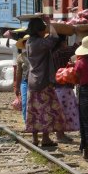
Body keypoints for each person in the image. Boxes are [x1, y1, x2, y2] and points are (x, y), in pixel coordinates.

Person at [25, 17, 66, 147]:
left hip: (32, 80)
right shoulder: (40, 43)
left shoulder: (28, 42)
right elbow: (54, 37)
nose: (45, 32)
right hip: (43, 81)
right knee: (46, 110)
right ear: (38, 31)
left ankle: (35, 138)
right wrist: (50, 23)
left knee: (34, 110)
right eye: (43, 30)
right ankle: (46, 138)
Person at [52, 34, 80, 142]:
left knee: (61, 111)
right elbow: (74, 49)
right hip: (63, 86)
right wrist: (79, 36)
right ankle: (60, 135)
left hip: (58, 86)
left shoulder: (52, 52)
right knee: (62, 111)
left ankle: (61, 134)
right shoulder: (60, 52)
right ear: (62, 43)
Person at [14, 36, 30, 123]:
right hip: (24, 81)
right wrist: (17, 87)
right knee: (24, 102)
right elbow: (18, 73)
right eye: (26, 42)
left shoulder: (38, 55)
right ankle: (26, 122)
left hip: (36, 82)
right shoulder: (20, 57)